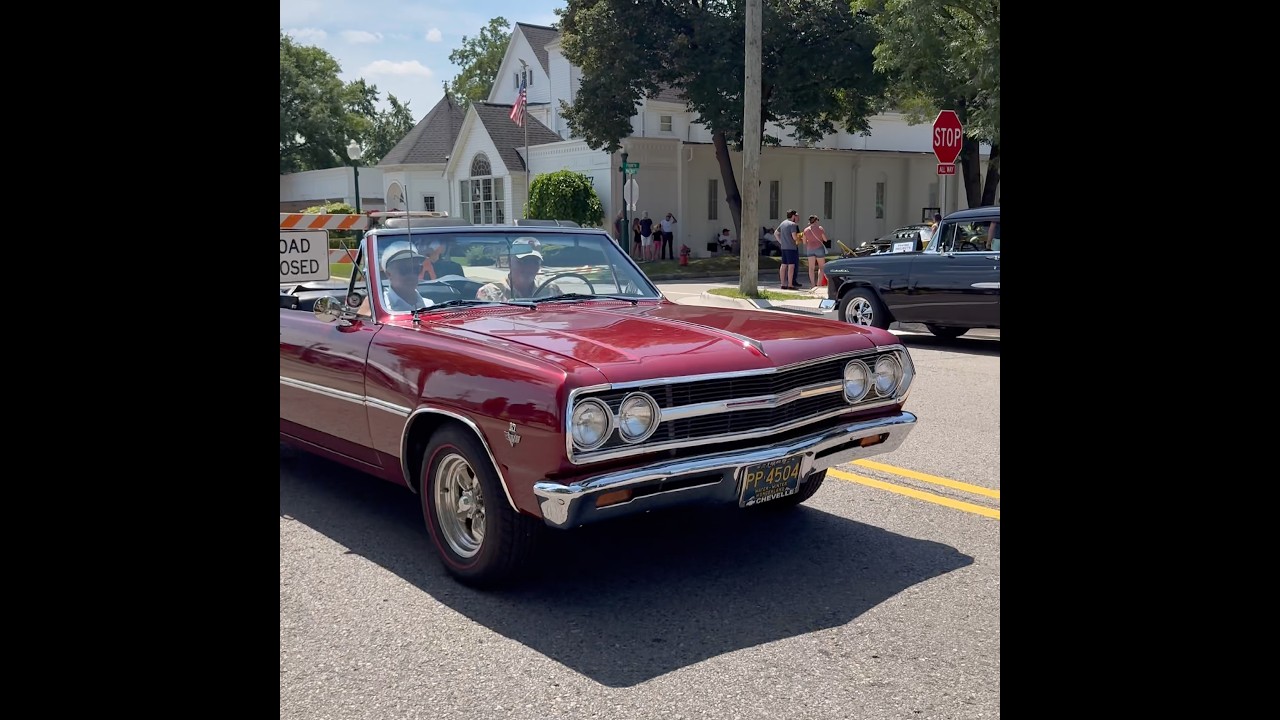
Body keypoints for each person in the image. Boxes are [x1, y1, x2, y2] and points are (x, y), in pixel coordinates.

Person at [475, 238, 566, 301]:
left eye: (535, 262)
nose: (529, 267)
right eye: (523, 261)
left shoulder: (551, 289)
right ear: (510, 262)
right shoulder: (490, 293)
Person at [380, 241, 433, 312]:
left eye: (416, 269)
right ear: (389, 274)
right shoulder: (380, 308)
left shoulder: (430, 305)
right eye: (404, 269)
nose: (412, 275)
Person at [775, 209, 801, 289]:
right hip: (791, 248)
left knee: (783, 265)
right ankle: (790, 284)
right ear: (793, 216)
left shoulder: (783, 223)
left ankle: (782, 284)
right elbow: (794, 237)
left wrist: (781, 242)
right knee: (791, 266)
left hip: (784, 247)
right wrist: (800, 238)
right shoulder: (793, 225)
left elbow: (776, 233)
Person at [802, 215, 829, 288]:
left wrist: (809, 241)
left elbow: (804, 242)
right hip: (819, 248)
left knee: (811, 268)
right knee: (821, 267)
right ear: (816, 221)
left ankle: (812, 284)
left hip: (810, 249)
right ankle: (819, 284)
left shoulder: (806, 230)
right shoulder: (820, 228)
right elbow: (825, 239)